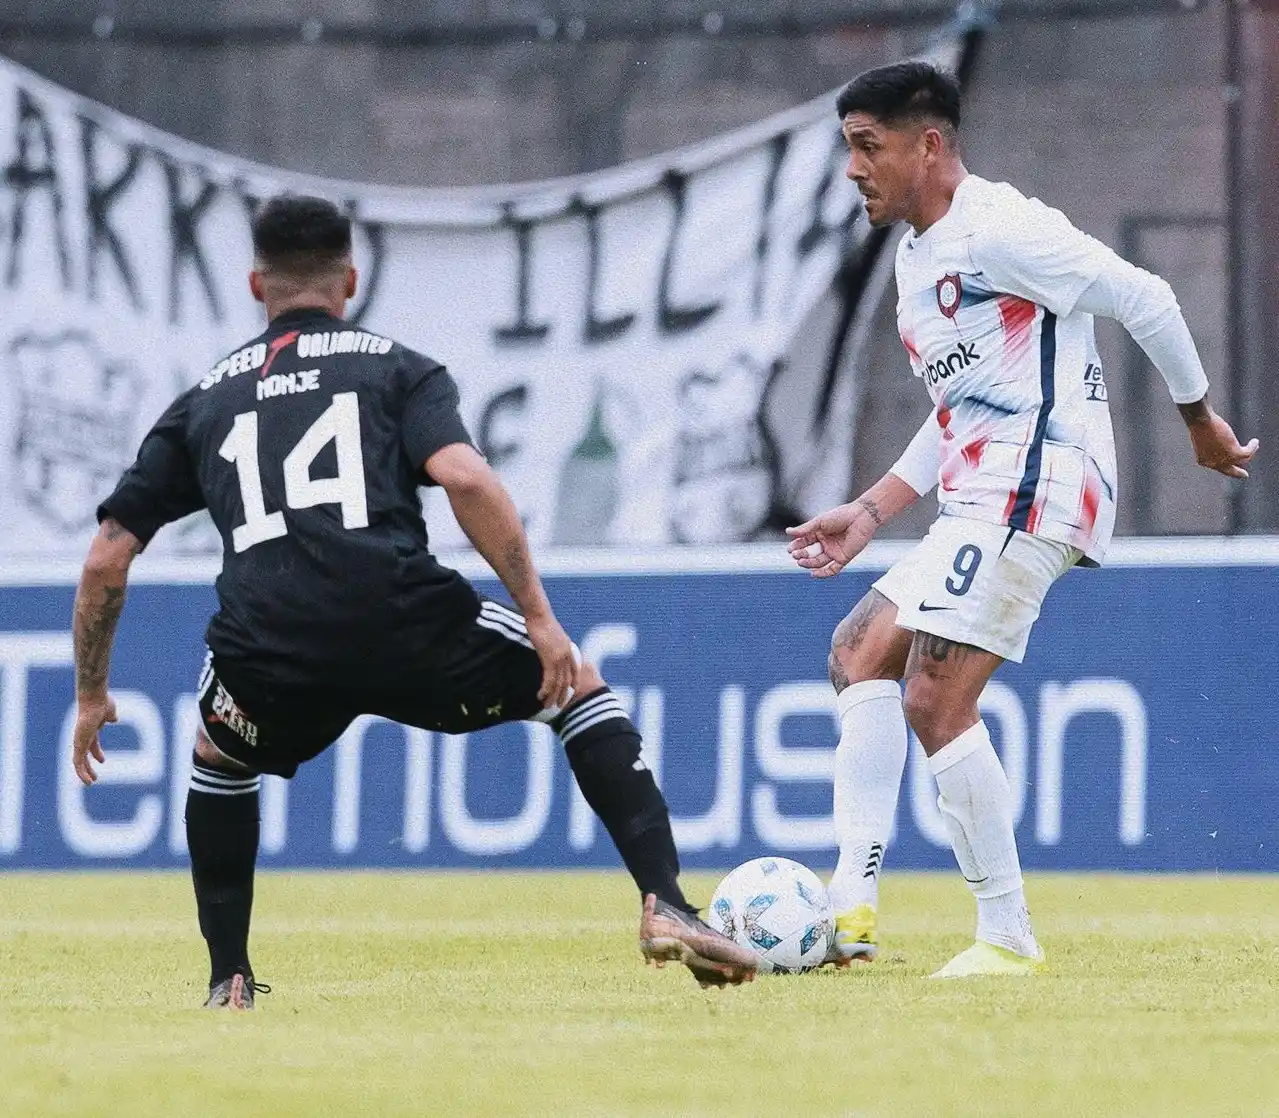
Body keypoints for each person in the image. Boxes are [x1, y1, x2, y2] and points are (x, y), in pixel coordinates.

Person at [70, 194, 757, 1007]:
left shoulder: (206, 401)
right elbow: (465, 478)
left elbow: (108, 559)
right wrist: (539, 619)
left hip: (269, 646)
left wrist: (91, 693)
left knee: (219, 758)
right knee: (578, 690)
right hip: (402, 622)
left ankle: (229, 979)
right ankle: (666, 904)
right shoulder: (397, 368)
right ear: (350, 281)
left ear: (257, 286)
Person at [787, 62, 1258, 977]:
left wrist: (1196, 418)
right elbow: (961, 405)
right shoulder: (916, 258)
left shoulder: (1002, 229)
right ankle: (850, 905)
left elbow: (1144, 296)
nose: (853, 168)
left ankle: (1005, 934)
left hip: (1037, 482)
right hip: (980, 492)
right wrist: (873, 508)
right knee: (857, 655)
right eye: (847, 147)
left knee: (933, 698)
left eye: (866, 146)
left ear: (928, 144)